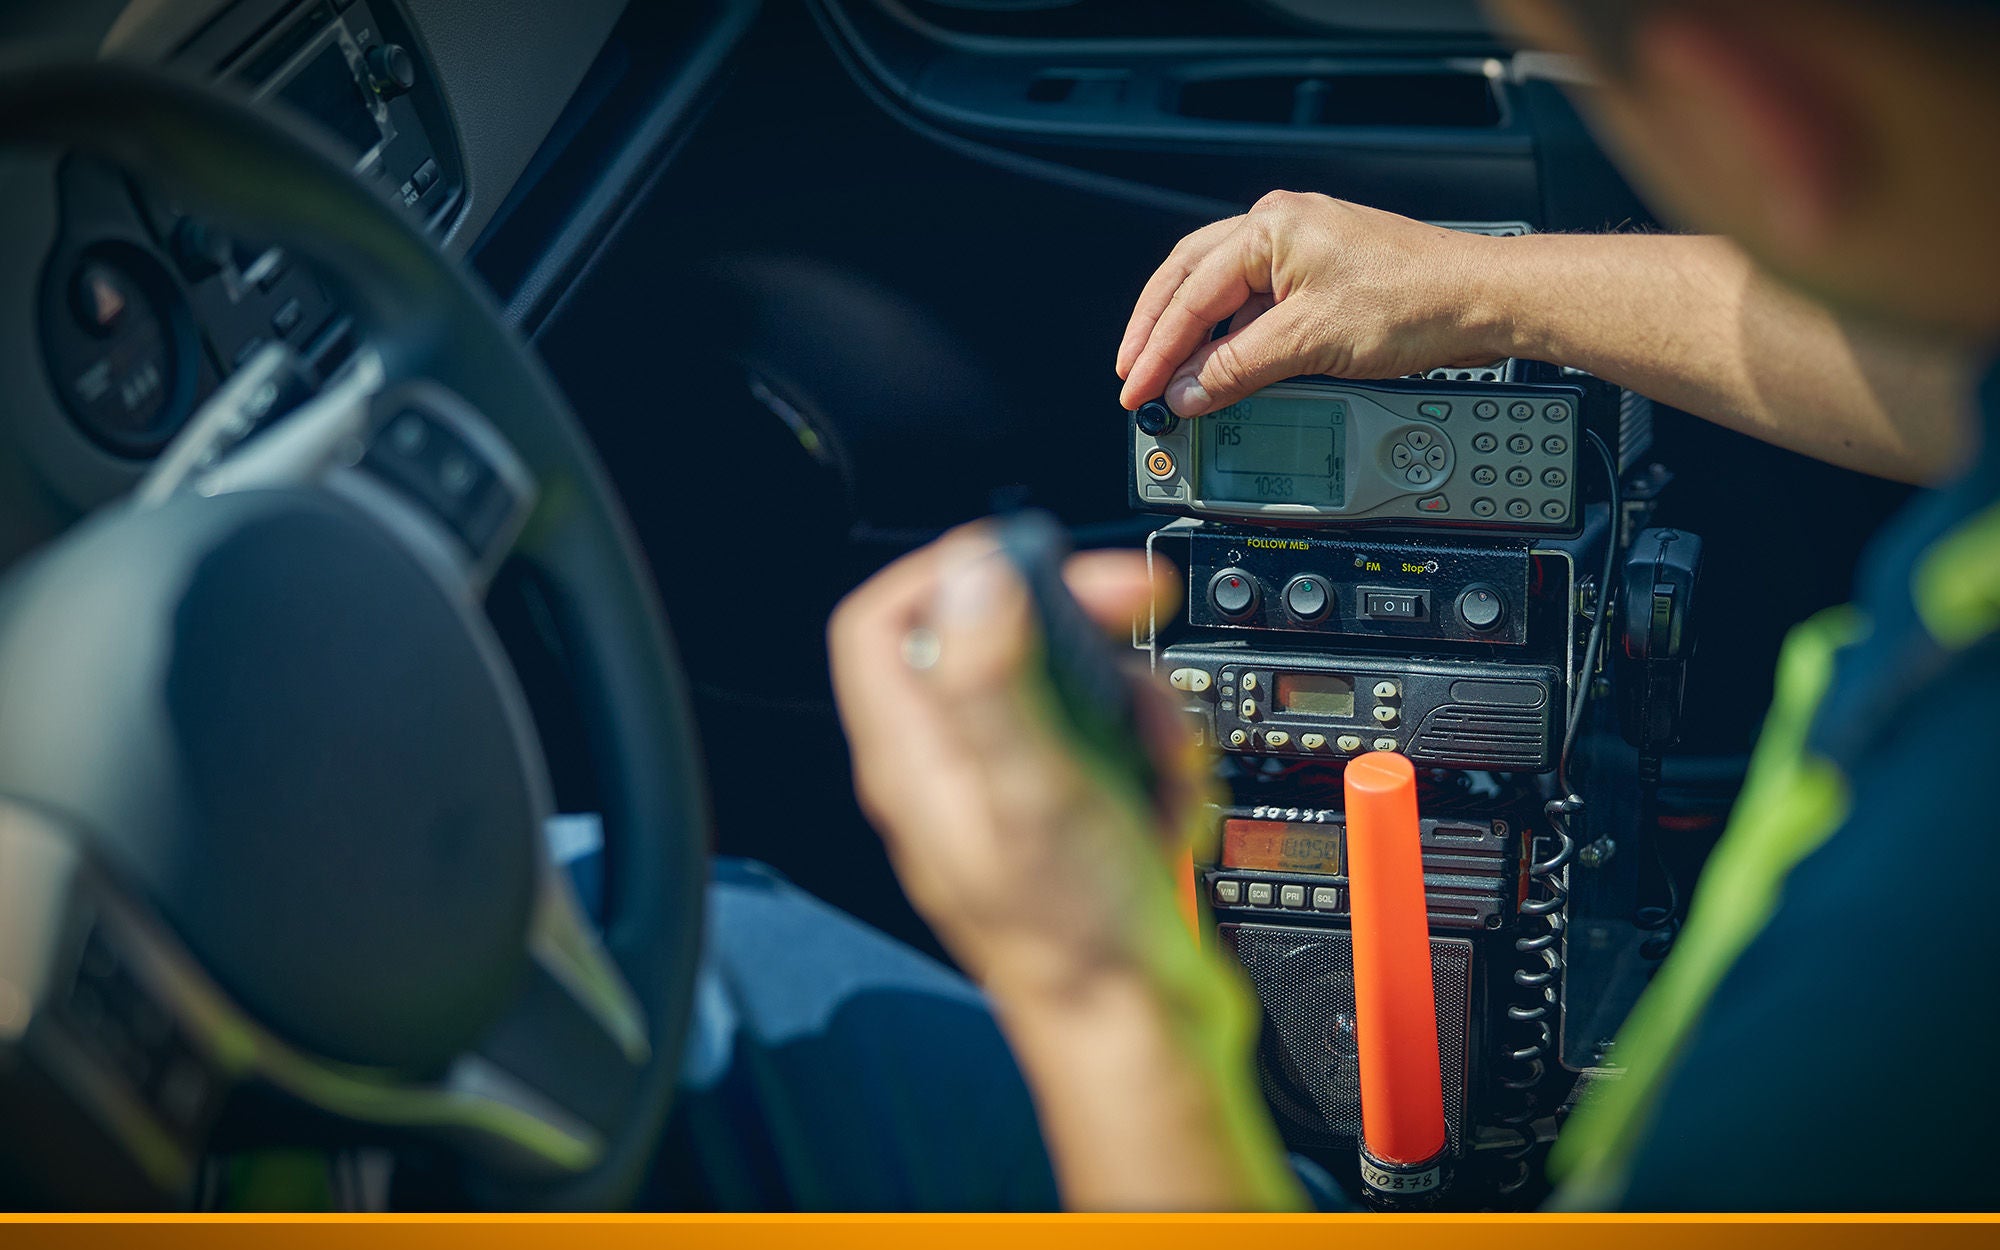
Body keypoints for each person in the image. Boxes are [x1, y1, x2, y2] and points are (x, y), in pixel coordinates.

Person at [817, 0, 2000, 1213]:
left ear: (1756, 114)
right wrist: (1477, 282)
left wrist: (1092, 984)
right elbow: (1942, 368)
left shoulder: (1916, 937)